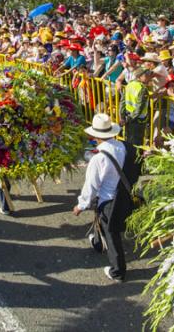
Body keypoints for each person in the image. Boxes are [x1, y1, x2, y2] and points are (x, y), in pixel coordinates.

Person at [73, 113, 128, 282]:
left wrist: (81, 206)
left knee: (112, 236)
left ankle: (118, 271)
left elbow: (91, 185)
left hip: (108, 200)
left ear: (96, 136)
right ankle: (97, 243)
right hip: (121, 194)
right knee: (102, 221)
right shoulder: (121, 147)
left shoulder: (98, 158)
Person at [120, 67, 154, 149]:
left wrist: (122, 117)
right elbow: (139, 109)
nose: (148, 77)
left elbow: (122, 102)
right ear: (139, 77)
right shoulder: (142, 89)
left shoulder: (129, 85)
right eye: (146, 75)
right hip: (137, 121)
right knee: (136, 145)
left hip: (129, 118)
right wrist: (128, 119)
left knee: (128, 140)